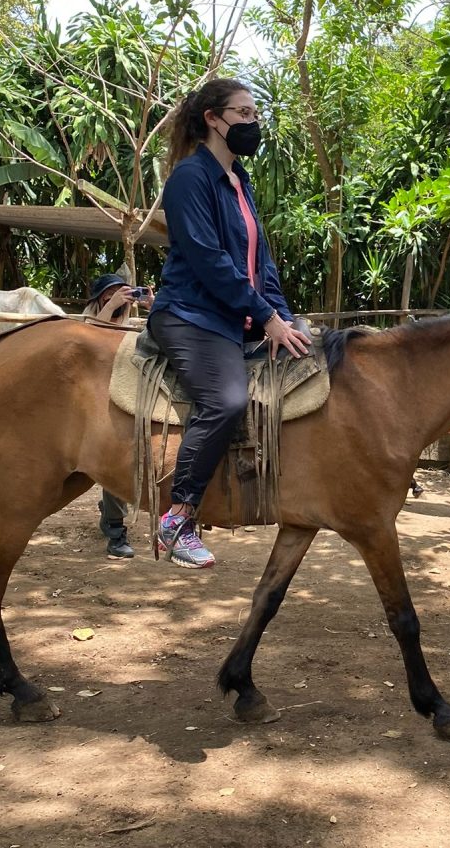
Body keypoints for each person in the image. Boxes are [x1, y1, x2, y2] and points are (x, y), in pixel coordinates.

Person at [148, 78, 311, 569]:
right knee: (227, 399)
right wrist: (264, 316)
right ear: (213, 120)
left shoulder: (241, 183)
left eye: (255, 115)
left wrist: (280, 316)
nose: (252, 123)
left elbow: (260, 265)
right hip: (190, 315)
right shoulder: (189, 179)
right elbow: (210, 260)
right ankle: (177, 519)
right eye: (243, 114)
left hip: (233, 316)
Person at [82, 273, 155, 558]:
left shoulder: (128, 326)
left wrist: (153, 305)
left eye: (125, 292)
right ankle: (115, 531)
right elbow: (90, 335)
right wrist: (111, 306)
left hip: (124, 396)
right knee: (113, 466)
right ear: (100, 297)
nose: (122, 297)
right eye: (111, 293)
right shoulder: (90, 323)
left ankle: (111, 517)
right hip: (93, 403)